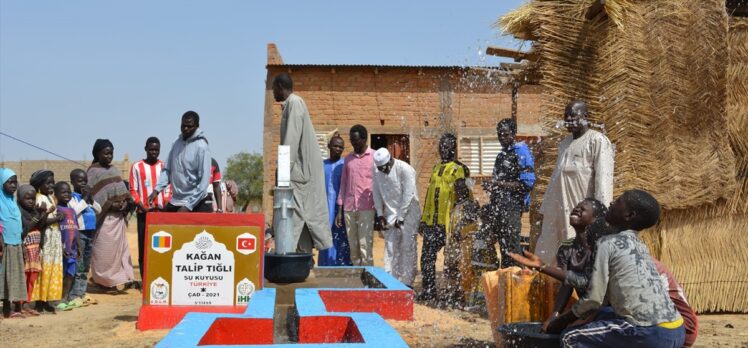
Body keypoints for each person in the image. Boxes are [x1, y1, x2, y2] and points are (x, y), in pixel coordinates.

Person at [545, 190, 685, 347]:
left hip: (649, 333)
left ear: (629, 215)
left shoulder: (607, 243)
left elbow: (593, 299)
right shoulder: (639, 245)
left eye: (618, 201)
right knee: (604, 314)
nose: (611, 203)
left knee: (569, 337)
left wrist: (561, 321)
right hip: (677, 330)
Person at [536, 100, 615, 265]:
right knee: (549, 253)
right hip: (557, 210)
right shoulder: (564, 143)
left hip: (579, 213)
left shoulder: (597, 141)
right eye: (566, 116)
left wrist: (600, 216)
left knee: (576, 257)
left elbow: (603, 180)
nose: (569, 119)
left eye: (573, 115)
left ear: (585, 117)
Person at [509, 198, 608, 324]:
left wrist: (543, 266)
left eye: (583, 209)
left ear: (595, 220)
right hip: (585, 308)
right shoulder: (566, 247)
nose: (577, 209)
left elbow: (594, 286)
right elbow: (567, 283)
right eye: (577, 206)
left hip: (605, 309)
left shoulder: (601, 247)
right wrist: (555, 314)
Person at [272, 72, 332, 253]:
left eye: (274, 88)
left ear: (280, 88)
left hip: (300, 176)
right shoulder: (291, 104)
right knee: (301, 220)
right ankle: (304, 266)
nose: (273, 92)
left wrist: (282, 174)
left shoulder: (295, 103)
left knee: (293, 219)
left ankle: (294, 265)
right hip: (299, 175)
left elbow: (291, 140)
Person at [419, 133, 469, 302]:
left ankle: (454, 294)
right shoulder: (436, 167)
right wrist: (423, 220)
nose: (443, 149)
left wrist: (460, 222)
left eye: (446, 146)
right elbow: (429, 195)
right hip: (432, 223)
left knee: (452, 261)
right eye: (441, 146)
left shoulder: (458, 169)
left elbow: (464, 196)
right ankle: (429, 291)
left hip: (447, 225)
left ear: (453, 148)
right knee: (426, 258)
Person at [481, 118, 535, 268]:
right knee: (502, 247)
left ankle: (518, 281)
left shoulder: (521, 152)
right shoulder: (501, 155)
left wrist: (498, 184)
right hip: (498, 206)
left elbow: (527, 184)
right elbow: (499, 182)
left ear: (514, 134)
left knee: (512, 246)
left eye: (505, 135)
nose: (502, 138)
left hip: (512, 207)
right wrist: (491, 187)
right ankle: (504, 281)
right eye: (499, 135)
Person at [87, 139, 135, 292]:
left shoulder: (114, 170)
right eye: (106, 153)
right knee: (104, 253)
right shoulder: (93, 172)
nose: (109, 156)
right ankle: (103, 282)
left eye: (111, 153)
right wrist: (109, 205)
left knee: (120, 251)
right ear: (97, 153)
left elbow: (123, 192)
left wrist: (126, 203)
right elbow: (91, 199)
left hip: (118, 219)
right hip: (104, 221)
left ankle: (122, 278)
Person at [372, 147, 420, 287]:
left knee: (407, 246)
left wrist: (401, 217)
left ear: (391, 161)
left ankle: (407, 282)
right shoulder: (377, 170)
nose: (382, 171)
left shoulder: (405, 169)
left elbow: (408, 194)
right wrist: (380, 214)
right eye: (380, 168)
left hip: (409, 211)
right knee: (390, 246)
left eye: (384, 168)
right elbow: (376, 191)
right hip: (390, 213)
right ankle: (390, 280)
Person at [149, 111, 213, 213]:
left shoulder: (202, 147)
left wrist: (188, 206)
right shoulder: (176, 143)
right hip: (176, 201)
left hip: (196, 202)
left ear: (197, 126)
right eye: (183, 125)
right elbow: (167, 170)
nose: (185, 129)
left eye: (189, 126)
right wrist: (156, 190)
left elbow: (203, 183)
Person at [130, 137, 170, 279]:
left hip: (161, 214)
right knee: (143, 247)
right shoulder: (136, 166)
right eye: (151, 149)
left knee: (161, 246)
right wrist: (143, 206)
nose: (154, 152)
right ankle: (144, 280)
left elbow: (168, 188)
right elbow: (133, 190)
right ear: (145, 148)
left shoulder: (164, 167)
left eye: (156, 150)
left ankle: (159, 276)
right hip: (143, 213)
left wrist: (164, 207)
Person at [335, 125, 375, 266]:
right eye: (351, 140)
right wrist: (340, 210)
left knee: (365, 246)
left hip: (367, 208)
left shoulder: (374, 157)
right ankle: (357, 277)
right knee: (353, 247)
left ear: (364, 139)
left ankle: (369, 277)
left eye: (356, 141)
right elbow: (343, 185)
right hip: (349, 208)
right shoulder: (348, 159)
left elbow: (379, 184)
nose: (353, 143)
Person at [29, 169, 63, 313]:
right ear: (39, 184)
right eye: (48, 183)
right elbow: (40, 222)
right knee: (44, 269)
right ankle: (39, 302)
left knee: (52, 269)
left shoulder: (50, 198)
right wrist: (56, 218)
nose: (51, 186)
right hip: (46, 238)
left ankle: (48, 300)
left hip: (54, 238)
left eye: (53, 183)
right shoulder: (38, 199)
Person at [67, 169, 100, 306]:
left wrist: (90, 199)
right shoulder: (71, 198)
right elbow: (74, 211)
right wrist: (85, 199)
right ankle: (74, 295)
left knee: (86, 265)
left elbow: (98, 209)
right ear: (72, 182)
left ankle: (82, 292)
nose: (83, 184)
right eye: (80, 181)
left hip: (90, 234)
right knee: (79, 266)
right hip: (79, 234)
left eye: (85, 181)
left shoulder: (86, 198)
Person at [444, 178, 479, 307]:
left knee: (464, 270)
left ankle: (465, 297)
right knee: (452, 268)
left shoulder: (470, 205)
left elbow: (475, 224)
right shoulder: (456, 205)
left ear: (466, 190)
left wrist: (462, 232)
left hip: (465, 243)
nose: (458, 191)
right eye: (456, 189)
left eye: (461, 189)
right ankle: (454, 294)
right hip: (453, 243)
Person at [318, 135, 352, 266]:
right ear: (329, 146)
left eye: (340, 147)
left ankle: (341, 266)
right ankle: (324, 265)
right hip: (324, 208)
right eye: (335, 146)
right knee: (325, 236)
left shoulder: (345, 165)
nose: (337, 149)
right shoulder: (322, 165)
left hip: (340, 208)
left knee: (341, 237)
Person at [0, 169, 27, 318]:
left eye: (15, 182)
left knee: (16, 275)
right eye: (9, 182)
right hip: (4, 244)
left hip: (16, 243)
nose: (13, 185)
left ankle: (17, 307)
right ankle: (5, 308)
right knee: (4, 276)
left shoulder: (13, 202)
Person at [16, 184, 44, 316]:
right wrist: (37, 216)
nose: (31, 201)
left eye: (33, 199)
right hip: (25, 250)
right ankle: (19, 304)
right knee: (23, 277)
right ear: (20, 199)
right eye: (27, 199)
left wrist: (43, 214)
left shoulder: (34, 211)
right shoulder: (19, 212)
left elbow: (41, 225)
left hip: (35, 250)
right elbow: (25, 229)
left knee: (32, 277)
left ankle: (27, 302)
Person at [53, 182, 80, 310]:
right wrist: (59, 246)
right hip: (62, 250)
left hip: (72, 249)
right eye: (63, 192)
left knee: (71, 274)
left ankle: (66, 297)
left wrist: (78, 246)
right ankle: (58, 299)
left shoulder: (72, 211)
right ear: (56, 194)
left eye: (68, 192)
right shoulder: (56, 210)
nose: (66, 194)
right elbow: (56, 230)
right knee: (61, 274)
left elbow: (75, 229)